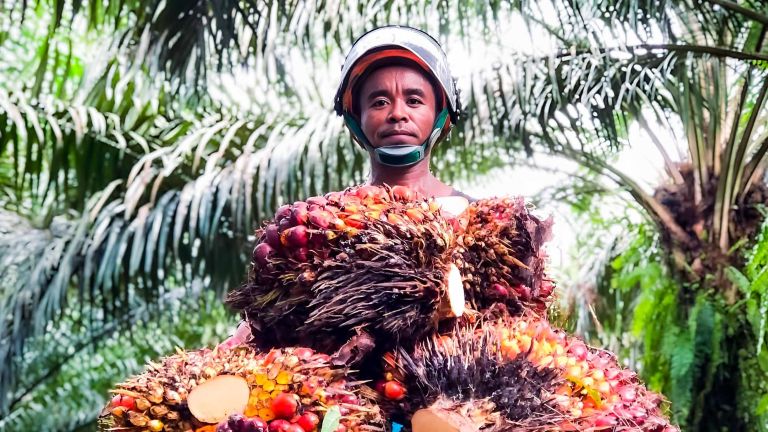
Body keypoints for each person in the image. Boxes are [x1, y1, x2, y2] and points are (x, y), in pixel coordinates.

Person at [220, 25, 472, 349]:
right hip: (342, 397)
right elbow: (271, 319)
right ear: (356, 120)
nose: (397, 114)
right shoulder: (320, 225)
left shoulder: (476, 217)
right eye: (379, 102)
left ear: (440, 114)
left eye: (414, 100)